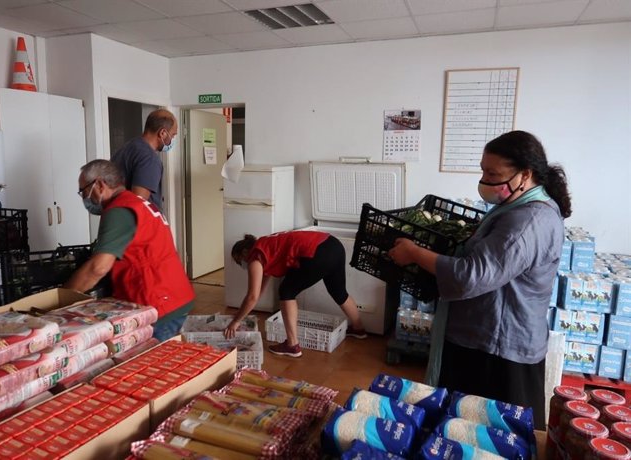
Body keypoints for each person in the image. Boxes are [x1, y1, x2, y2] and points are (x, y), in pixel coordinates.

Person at [388, 130, 571, 429]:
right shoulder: (517, 206)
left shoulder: (528, 221)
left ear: (525, 175)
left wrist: (415, 253)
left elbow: (471, 276)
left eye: (493, 173)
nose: (485, 180)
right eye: (483, 170)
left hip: (497, 349)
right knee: (463, 428)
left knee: (487, 432)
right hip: (484, 336)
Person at [64, 159, 194, 341]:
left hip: (157, 300)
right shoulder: (136, 202)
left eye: (84, 191)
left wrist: (63, 298)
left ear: (100, 185)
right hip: (173, 293)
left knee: (152, 363)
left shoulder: (119, 211)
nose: (85, 198)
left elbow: (98, 268)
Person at [224, 231, 367, 358]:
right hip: (333, 245)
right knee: (339, 292)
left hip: (317, 252)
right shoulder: (264, 247)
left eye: (240, 261)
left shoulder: (255, 257)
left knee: (286, 291)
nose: (242, 264)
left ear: (244, 252)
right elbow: (257, 292)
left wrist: (235, 321)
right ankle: (358, 329)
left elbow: (252, 296)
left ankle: (292, 346)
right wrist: (243, 314)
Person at [111, 109, 177, 211]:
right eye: (173, 135)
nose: (173, 139)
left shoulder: (128, 147)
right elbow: (137, 206)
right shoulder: (149, 159)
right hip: (136, 224)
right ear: (163, 133)